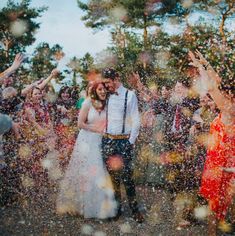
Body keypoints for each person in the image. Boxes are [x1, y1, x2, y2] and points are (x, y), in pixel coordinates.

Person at [189, 50, 235, 235]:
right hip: (220, 163)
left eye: (225, 92)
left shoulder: (229, 109)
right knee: (218, 206)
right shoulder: (228, 109)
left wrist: (201, 67)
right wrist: (206, 63)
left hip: (225, 166)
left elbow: (211, 87)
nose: (221, 94)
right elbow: (216, 83)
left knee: (217, 206)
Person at [56, 80, 117, 219]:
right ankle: (81, 205)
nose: (102, 91)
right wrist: (95, 129)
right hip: (86, 140)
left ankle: (99, 206)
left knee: (99, 171)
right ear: (94, 90)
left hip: (100, 141)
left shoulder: (106, 104)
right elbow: (80, 124)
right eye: (100, 89)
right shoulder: (87, 103)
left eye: (104, 89)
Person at [101, 68, 144, 223]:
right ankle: (116, 209)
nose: (107, 86)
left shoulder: (129, 95)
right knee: (113, 178)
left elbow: (136, 120)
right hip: (107, 141)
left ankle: (135, 210)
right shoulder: (104, 95)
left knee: (127, 178)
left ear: (116, 78)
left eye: (108, 83)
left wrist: (130, 142)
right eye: (104, 83)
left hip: (123, 141)